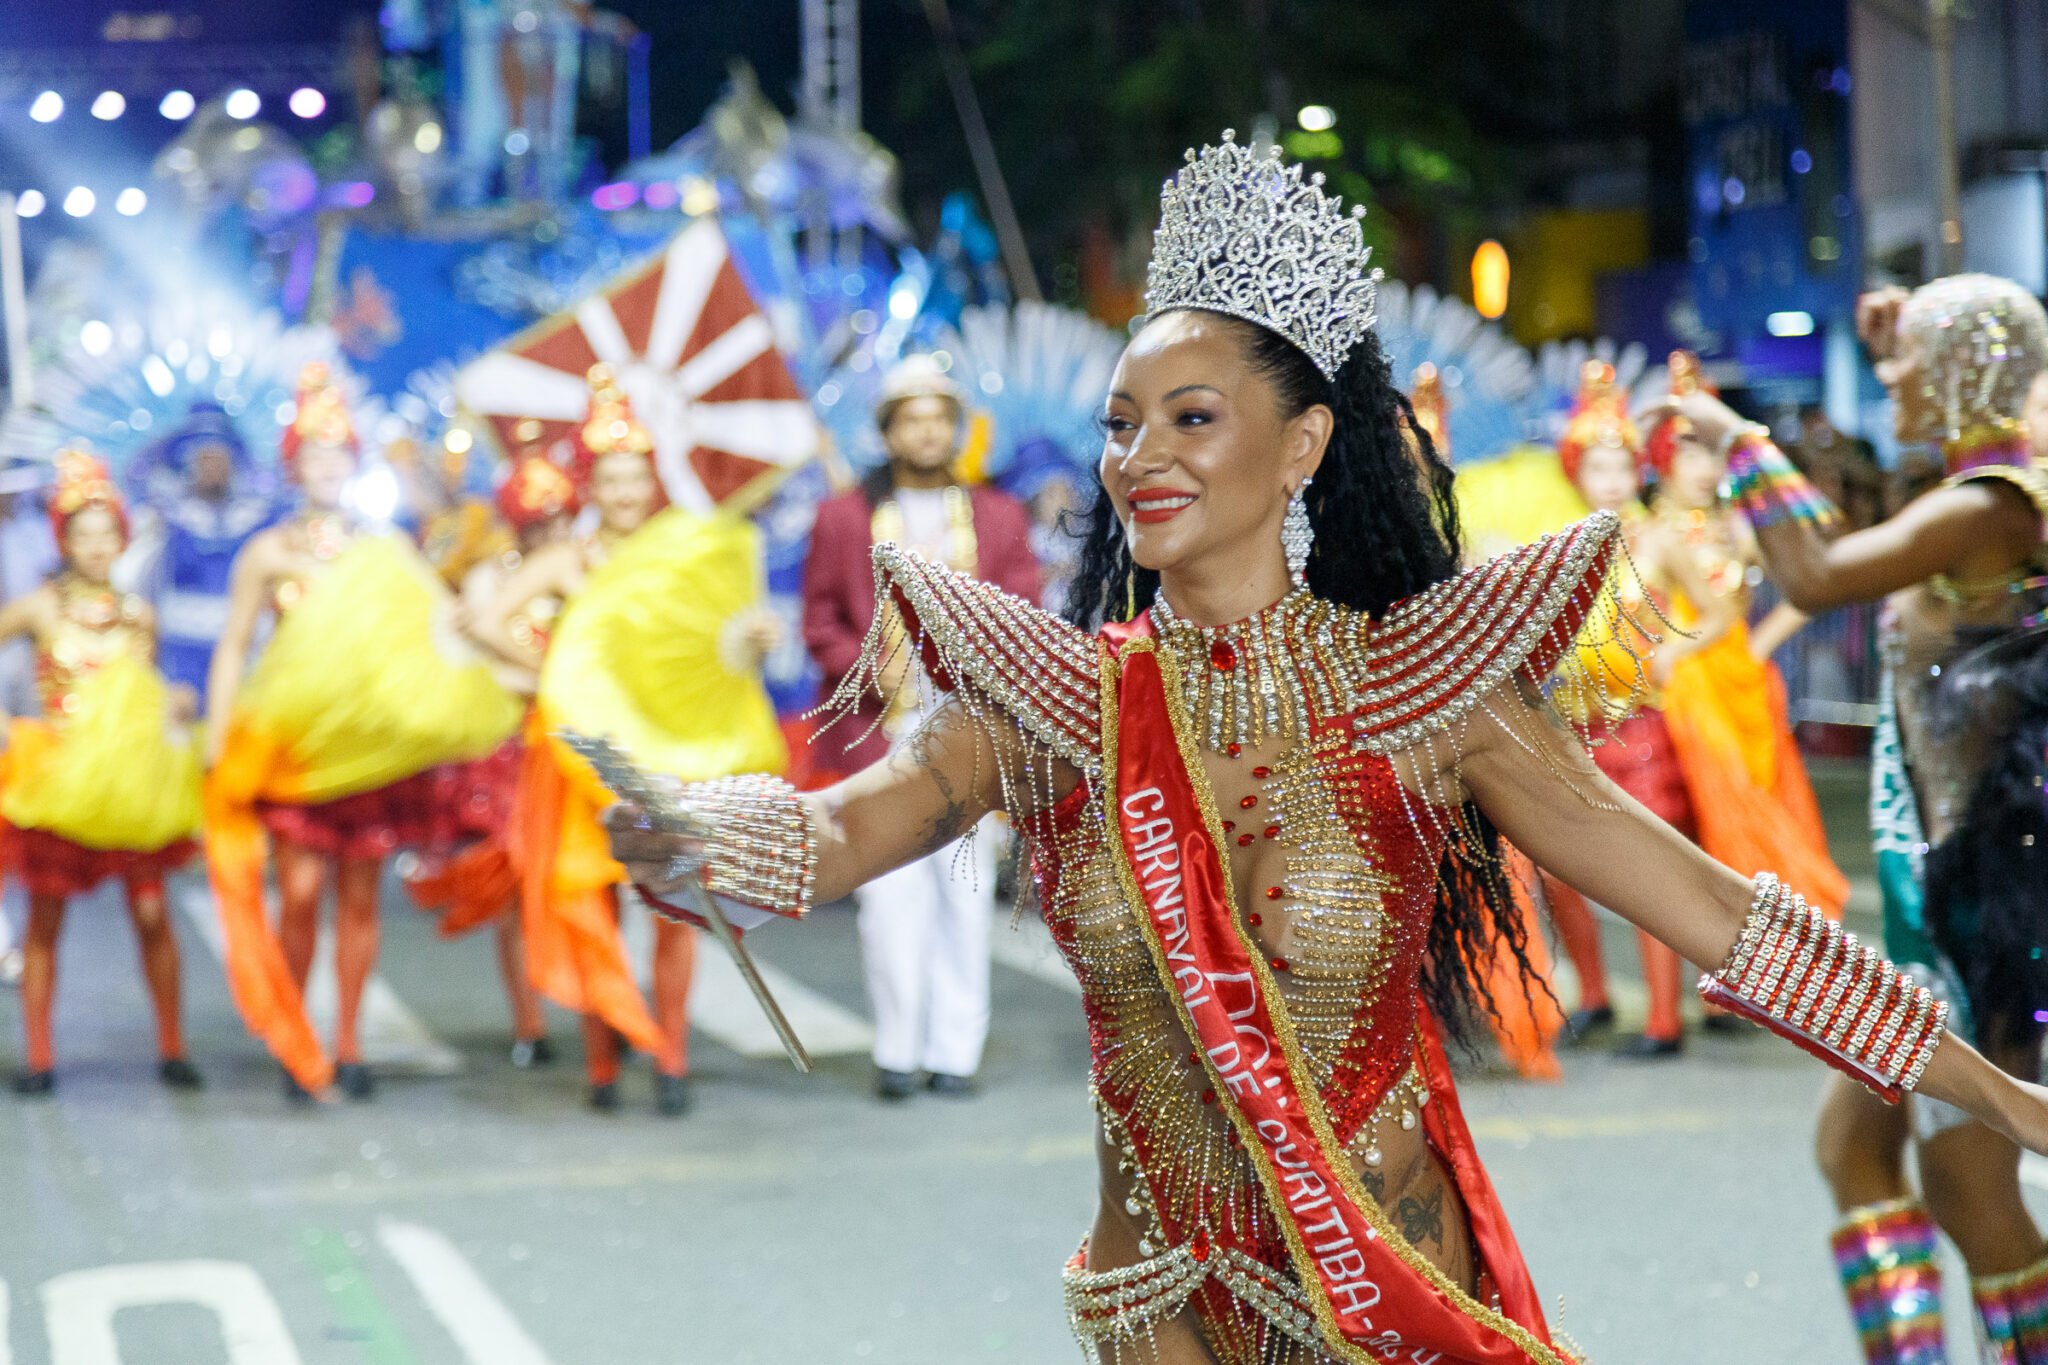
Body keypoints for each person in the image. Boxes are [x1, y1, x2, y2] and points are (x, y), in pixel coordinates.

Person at [607, 134, 2048, 1364]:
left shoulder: (1425, 693)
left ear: (1301, 446)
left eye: (1190, 417)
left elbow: (1721, 916)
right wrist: (694, 832)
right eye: (1121, 424)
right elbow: (848, 828)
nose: (1138, 456)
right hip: (1150, 1306)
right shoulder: (1053, 701)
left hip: (1377, 1296)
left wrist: (2006, 1099)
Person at [1665, 274, 2048, 1365]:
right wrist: (1911, 328)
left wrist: (1736, 438)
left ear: (1968, 374)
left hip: (1993, 920)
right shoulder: (1967, 502)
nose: (1887, 380)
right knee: (1853, 1147)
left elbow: (1816, 570)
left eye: (1907, 365)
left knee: (1971, 1200)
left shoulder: (1991, 509)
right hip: (1937, 898)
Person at [205, 364, 520, 1102]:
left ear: (353, 463)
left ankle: (347, 1042)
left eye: (338, 454)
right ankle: (295, 1032)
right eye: (313, 455)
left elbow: (434, 625)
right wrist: (221, 735)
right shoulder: (269, 552)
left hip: (370, 757)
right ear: (294, 464)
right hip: (299, 752)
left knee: (357, 898)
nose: (326, 467)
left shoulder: (383, 550)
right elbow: (232, 645)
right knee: (301, 894)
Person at [476, 366, 784, 1116]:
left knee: (672, 900)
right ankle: (604, 1058)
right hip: (587, 756)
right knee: (594, 902)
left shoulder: (679, 552)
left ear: (653, 481)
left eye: (636, 477)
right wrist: (558, 672)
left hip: (666, 753)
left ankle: (671, 1054)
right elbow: (481, 622)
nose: (624, 492)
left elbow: (717, 640)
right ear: (590, 484)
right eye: (610, 479)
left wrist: (753, 644)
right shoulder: (566, 559)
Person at [801, 354, 1040, 1100]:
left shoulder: (999, 516)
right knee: (887, 899)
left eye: (940, 418)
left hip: (969, 734)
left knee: (964, 896)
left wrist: (985, 663)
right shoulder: (842, 516)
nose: (928, 432)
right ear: (888, 430)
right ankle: (897, 1049)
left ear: (956, 430)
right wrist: (871, 668)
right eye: (913, 418)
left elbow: (1025, 611)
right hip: (880, 735)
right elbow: (819, 621)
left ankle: (954, 1052)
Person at [1617, 353, 1849, 1055]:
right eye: (1686, 445)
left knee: (1752, 843)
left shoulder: (1741, 528)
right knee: (1690, 845)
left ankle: (1744, 992)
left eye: (1708, 447)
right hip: (1682, 701)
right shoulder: (1643, 531)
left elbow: (1813, 575)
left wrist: (1756, 645)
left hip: (1743, 690)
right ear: (1660, 454)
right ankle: (1702, 998)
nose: (1702, 464)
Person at [0, 451, 204, 1095]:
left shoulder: (140, 614)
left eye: (106, 533)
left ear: (122, 537)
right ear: (64, 540)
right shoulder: (39, 607)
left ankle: (173, 1046)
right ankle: (38, 1057)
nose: (95, 546)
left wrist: (176, 701)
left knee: (151, 915)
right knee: (46, 920)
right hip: (60, 786)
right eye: (82, 535)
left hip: (129, 789)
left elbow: (150, 694)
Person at [407, 454, 579, 1068]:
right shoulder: (490, 579)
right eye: (536, 522)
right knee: (516, 883)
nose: (549, 533)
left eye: (558, 520)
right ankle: (529, 1023)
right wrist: (550, 673)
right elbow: (480, 662)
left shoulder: (585, 572)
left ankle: (597, 1007)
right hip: (511, 751)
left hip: (576, 746)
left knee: (588, 881)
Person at [123, 404, 277, 698]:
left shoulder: (257, 519)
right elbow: (143, 599)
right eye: (203, 457)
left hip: (247, 661)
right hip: (180, 667)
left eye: (220, 456)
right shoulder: (168, 520)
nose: (212, 465)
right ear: (189, 462)